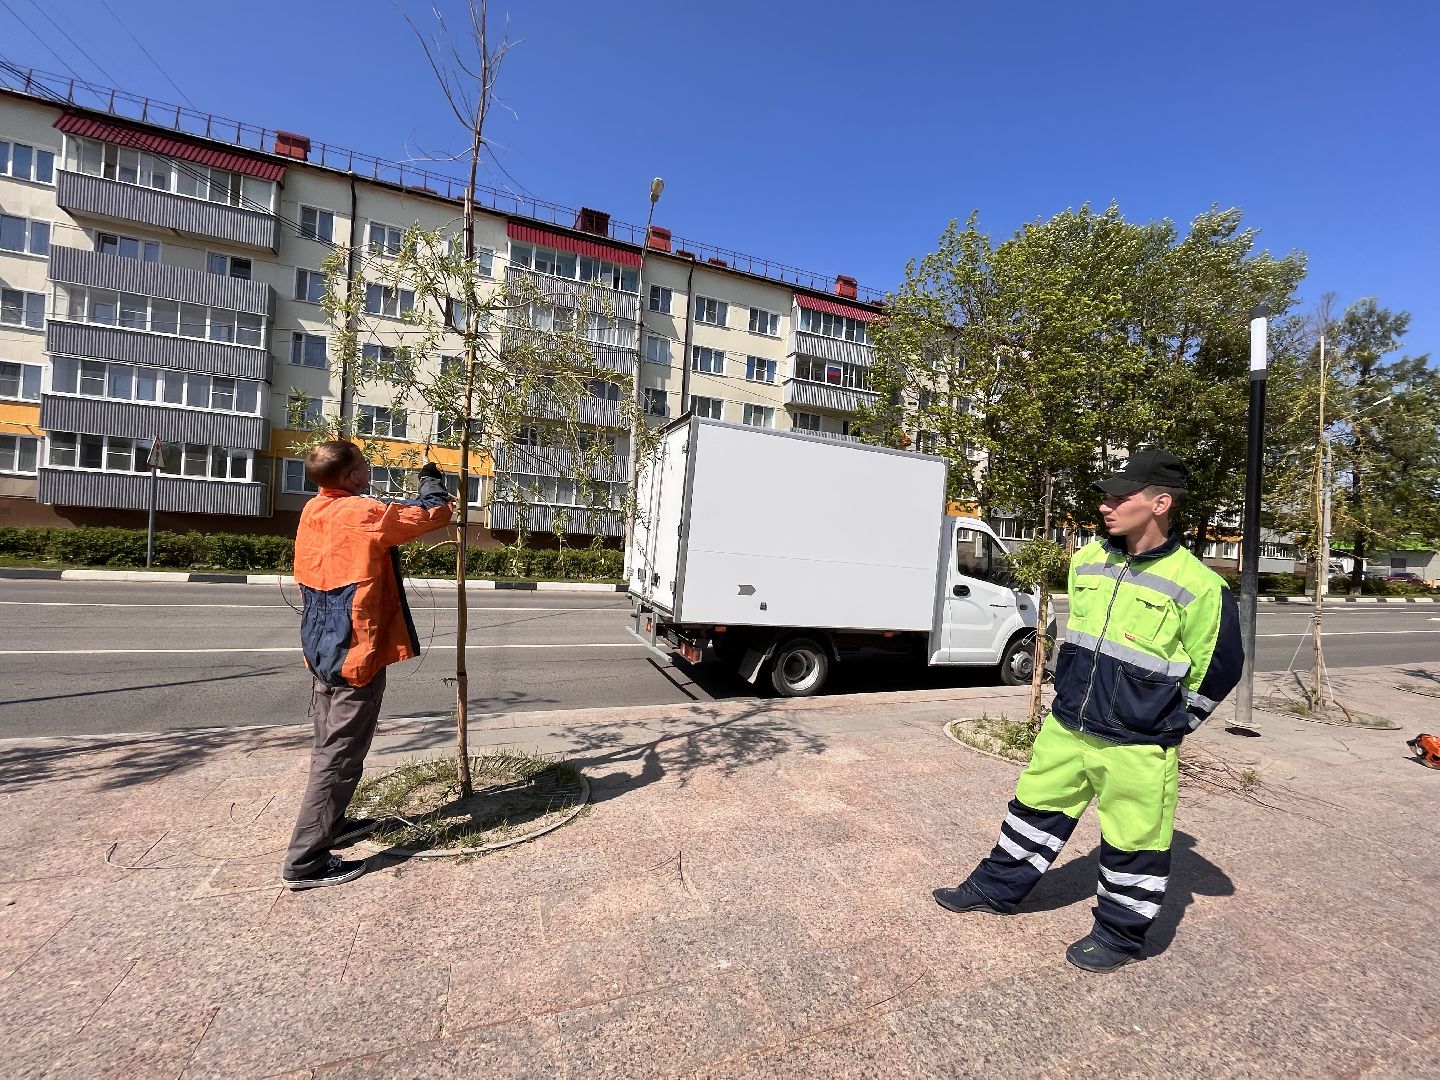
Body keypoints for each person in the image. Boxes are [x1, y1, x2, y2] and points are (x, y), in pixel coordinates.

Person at [933, 449, 1243, 972]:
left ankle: (1120, 936)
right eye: (1107, 496)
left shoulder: (1200, 585)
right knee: (1032, 811)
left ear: (1160, 504)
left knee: (1134, 841)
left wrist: (1171, 723)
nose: (1106, 505)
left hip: (1137, 742)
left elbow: (1219, 668)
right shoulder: (1087, 561)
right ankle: (995, 890)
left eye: (1121, 496)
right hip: (1069, 724)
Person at [281, 441, 454, 890]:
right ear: (351, 477)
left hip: (321, 646)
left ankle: (333, 824)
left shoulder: (313, 510)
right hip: (355, 651)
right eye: (363, 464)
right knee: (338, 756)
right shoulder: (364, 513)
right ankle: (306, 862)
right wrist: (431, 482)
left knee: (329, 745)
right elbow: (433, 515)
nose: (368, 469)